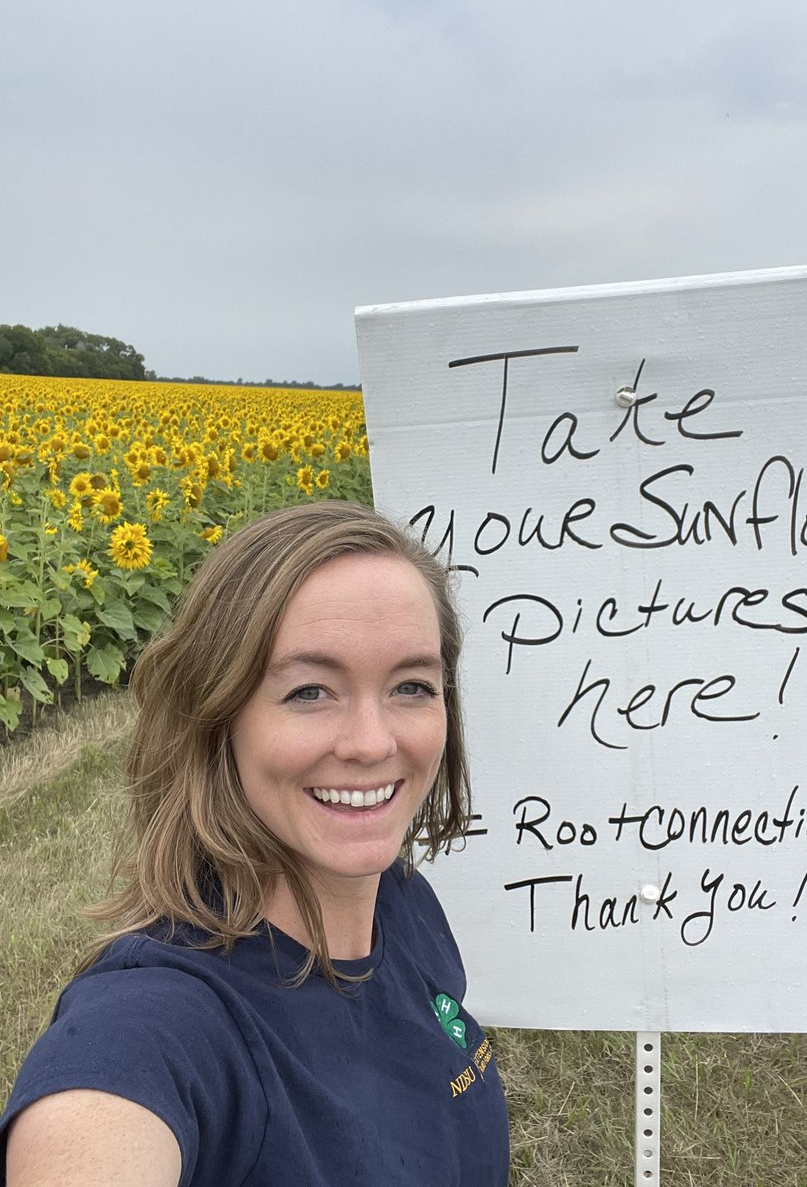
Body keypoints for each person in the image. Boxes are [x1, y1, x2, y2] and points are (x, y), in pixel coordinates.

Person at [1, 500, 509, 1186]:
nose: (372, 742)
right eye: (309, 692)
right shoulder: (154, 1027)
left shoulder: (407, 908)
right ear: (217, 716)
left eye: (411, 686)